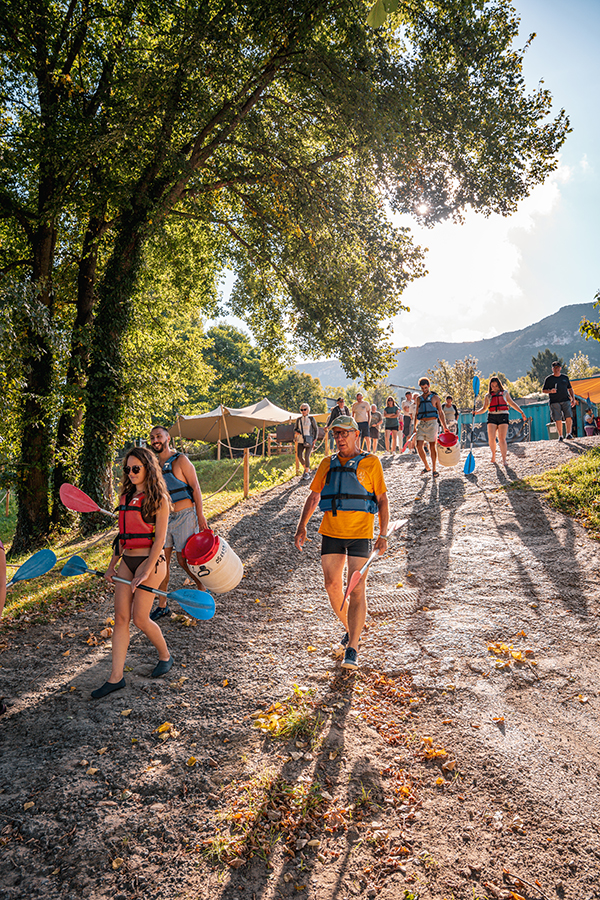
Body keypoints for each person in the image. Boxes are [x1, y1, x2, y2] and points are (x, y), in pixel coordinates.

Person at [294, 416, 389, 671]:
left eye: (345, 433)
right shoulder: (327, 463)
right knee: (332, 585)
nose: (340, 438)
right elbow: (314, 496)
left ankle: (353, 648)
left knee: (356, 587)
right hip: (332, 532)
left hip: (360, 532)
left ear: (356, 434)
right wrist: (301, 526)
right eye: (336, 434)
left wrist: (383, 534)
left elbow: (382, 500)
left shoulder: (371, 462)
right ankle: (352, 627)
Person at [91, 448, 173, 699]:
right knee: (121, 617)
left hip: (152, 562)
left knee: (140, 618)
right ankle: (116, 677)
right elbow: (121, 537)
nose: (131, 473)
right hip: (128, 560)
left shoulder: (159, 499)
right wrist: (111, 565)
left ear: (148, 467)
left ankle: (165, 656)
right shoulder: (125, 497)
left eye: (136, 468)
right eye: (128, 469)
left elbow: (160, 540)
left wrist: (145, 571)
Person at [149, 425, 209, 620]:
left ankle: (202, 589)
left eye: (158, 436)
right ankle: (163, 605)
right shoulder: (154, 465)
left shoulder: (181, 460)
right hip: (164, 518)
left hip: (185, 515)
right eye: (152, 438)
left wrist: (200, 516)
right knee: (161, 562)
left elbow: (196, 488)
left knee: (183, 560)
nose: (155, 440)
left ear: (167, 438)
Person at [477, 377, 527, 465]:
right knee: (491, 438)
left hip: (503, 415)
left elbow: (512, 403)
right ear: (490, 386)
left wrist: (521, 412)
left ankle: (504, 459)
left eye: (496, 386)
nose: (494, 388)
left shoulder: (505, 393)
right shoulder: (488, 396)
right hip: (492, 416)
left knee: (501, 438)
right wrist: (476, 412)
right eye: (492, 386)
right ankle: (493, 455)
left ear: (499, 385)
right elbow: (484, 408)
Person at [414, 379, 450, 476]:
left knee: (432, 446)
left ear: (429, 385)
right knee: (418, 446)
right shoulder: (419, 399)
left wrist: (444, 426)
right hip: (422, 424)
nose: (424, 390)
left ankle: (434, 469)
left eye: (425, 387)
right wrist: (414, 426)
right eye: (422, 388)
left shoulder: (435, 397)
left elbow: (440, 413)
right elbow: (417, 414)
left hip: (432, 424)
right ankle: (427, 466)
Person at [542, 361, 576, 441]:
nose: (556, 369)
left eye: (558, 367)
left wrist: (573, 399)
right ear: (552, 369)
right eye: (555, 368)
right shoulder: (548, 379)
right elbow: (544, 390)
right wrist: (551, 391)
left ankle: (568, 434)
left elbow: (570, 389)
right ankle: (560, 436)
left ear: (560, 368)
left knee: (569, 417)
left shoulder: (565, 378)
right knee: (558, 419)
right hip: (554, 401)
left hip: (566, 400)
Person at [294, 403, 319, 480]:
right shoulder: (298, 419)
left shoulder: (311, 419)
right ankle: (306, 467)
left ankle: (307, 473)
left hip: (309, 439)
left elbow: (316, 429)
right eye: (302, 409)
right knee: (299, 456)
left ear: (308, 410)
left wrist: (315, 438)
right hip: (300, 440)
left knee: (307, 456)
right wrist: (296, 432)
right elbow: (295, 429)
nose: (303, 411)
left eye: (305, 409)